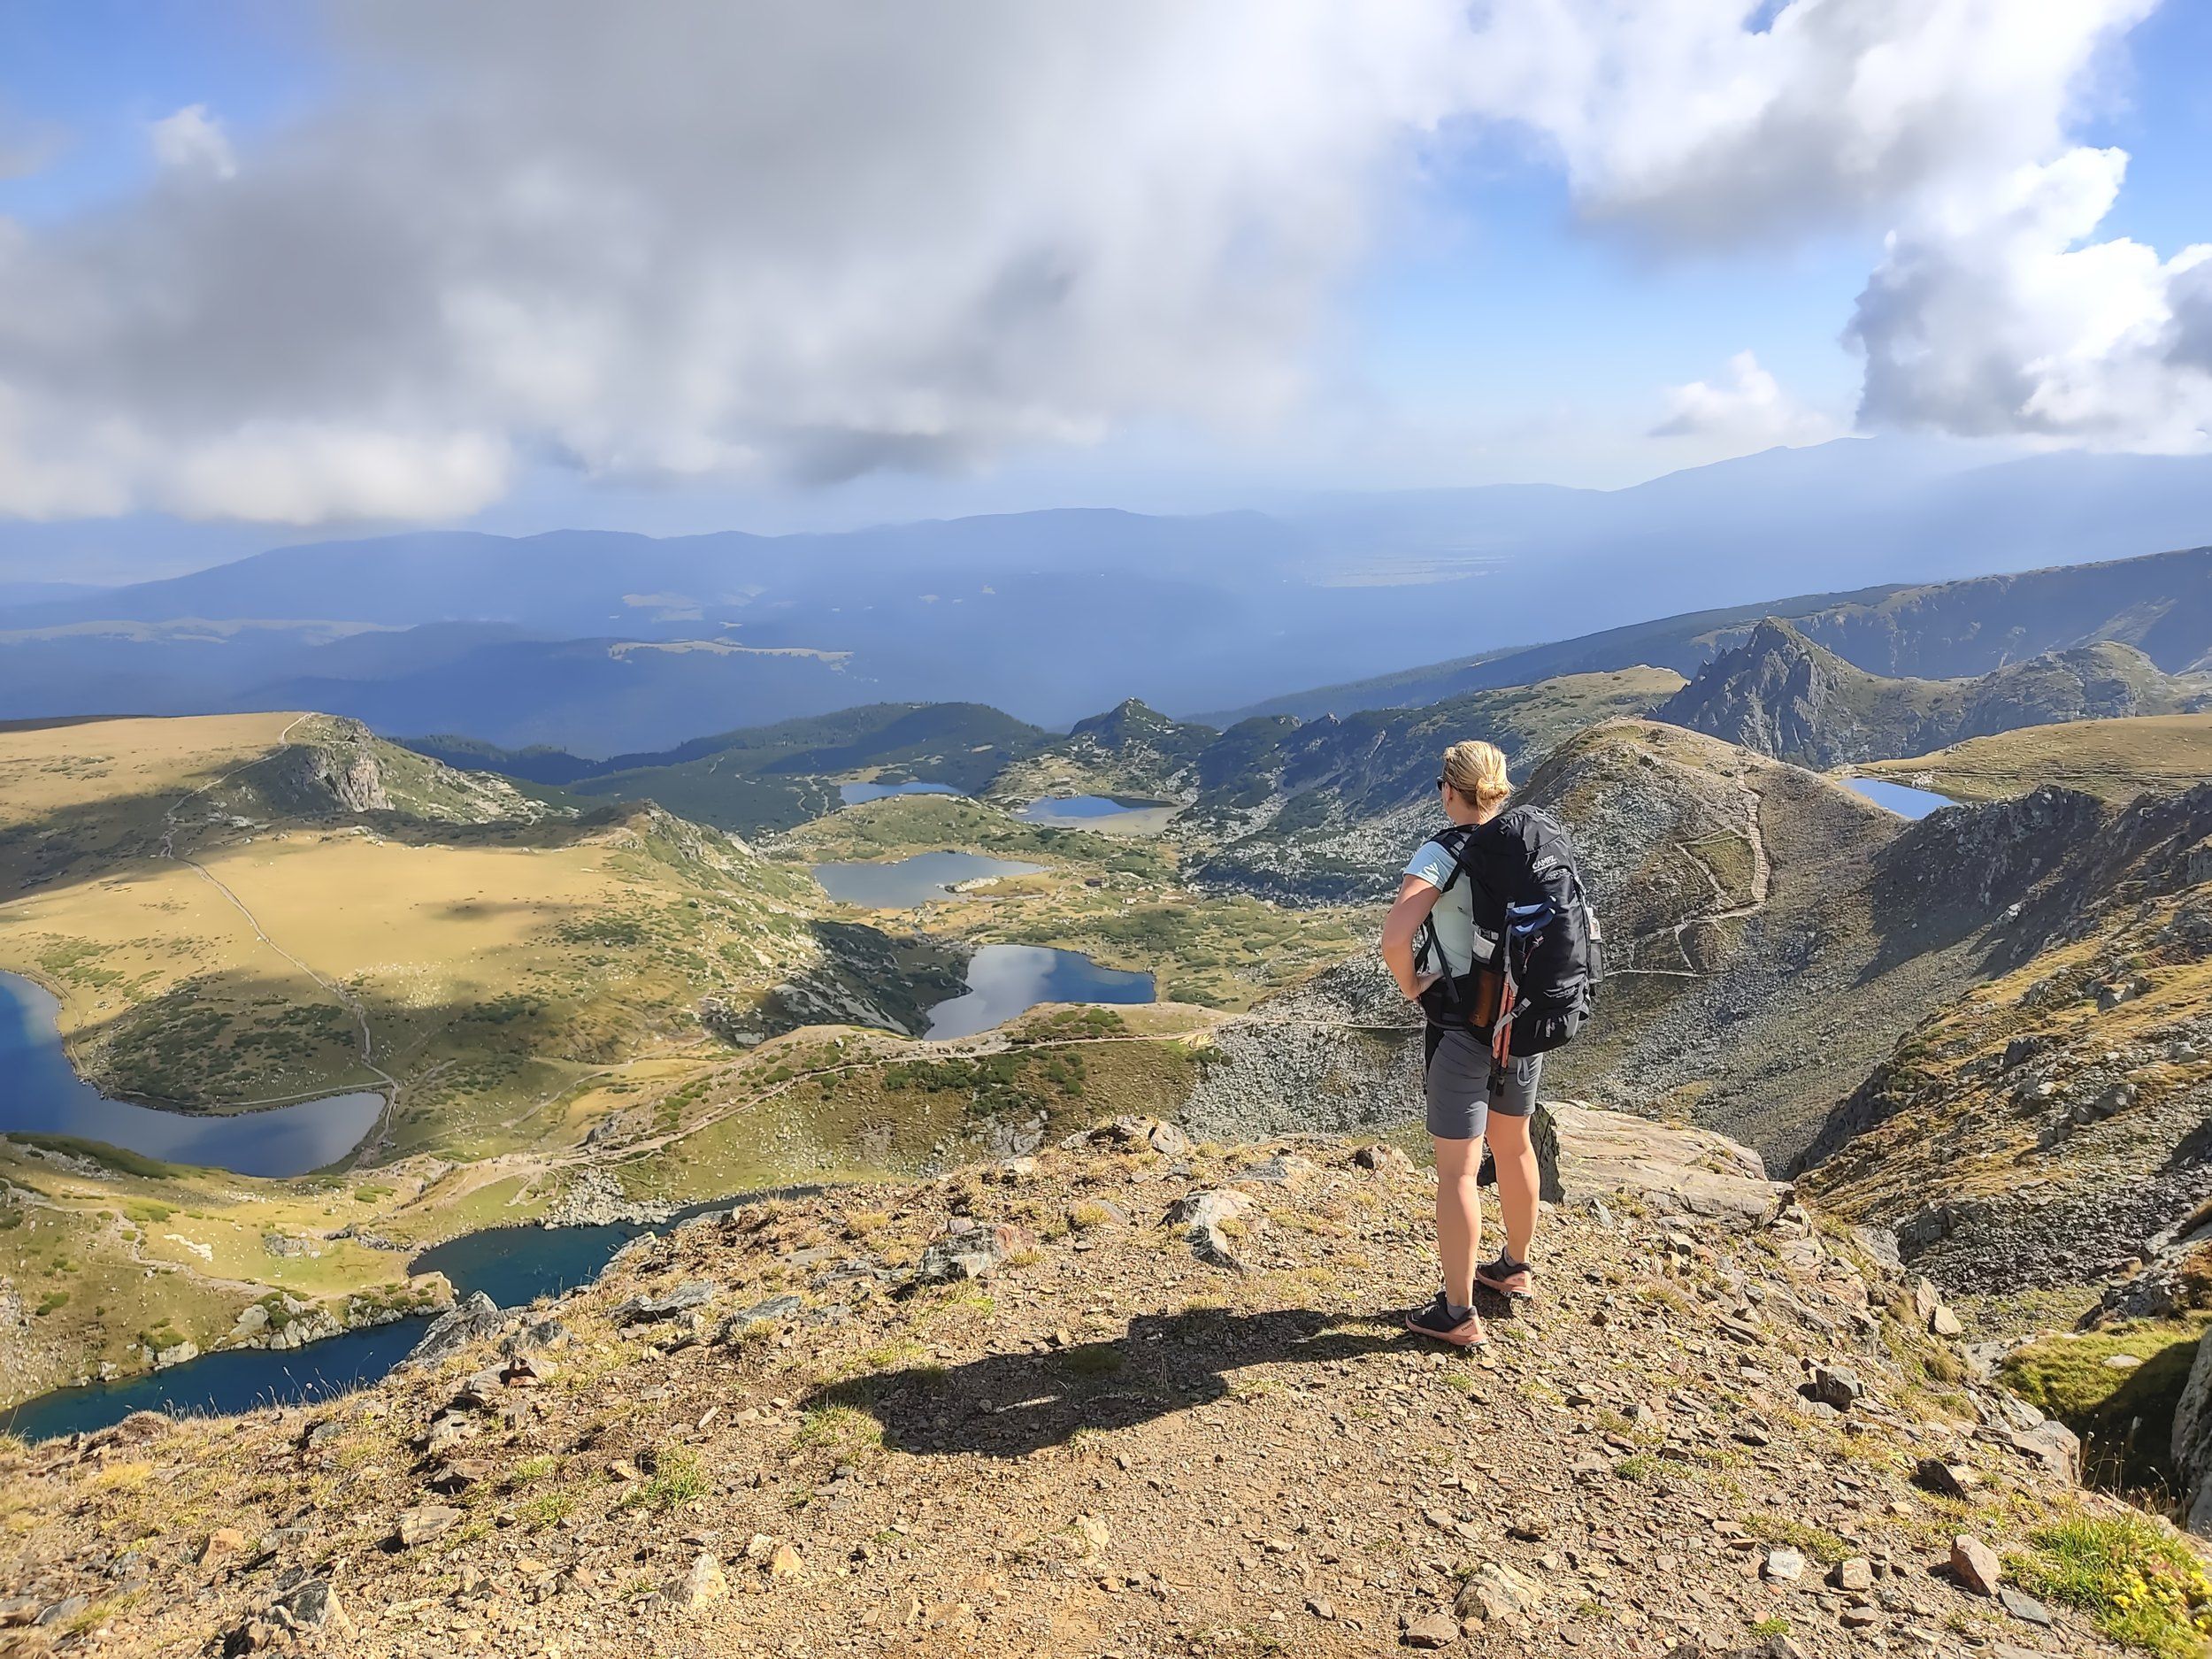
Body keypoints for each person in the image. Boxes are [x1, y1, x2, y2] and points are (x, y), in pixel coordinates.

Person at [1378, 739, 1552, 1347]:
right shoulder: (1526, 842)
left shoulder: (1442, 848)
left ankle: (1456, 1312)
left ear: (1450, 790)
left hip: (1462, 1025)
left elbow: (1396, 936)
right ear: (1499, 788)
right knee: (1515, 1144)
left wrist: (1412, 985)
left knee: (1456, 1171)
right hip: (1521, 1023)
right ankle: (1515, 1267)